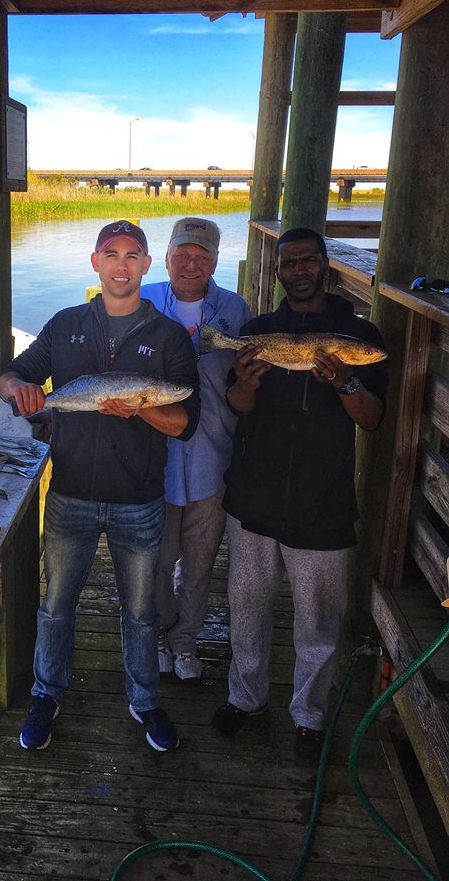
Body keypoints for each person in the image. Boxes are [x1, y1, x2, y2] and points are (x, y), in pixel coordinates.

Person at [0, 220, 200, 753]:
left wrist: (140, 411)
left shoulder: (168, 337)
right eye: (112, 254)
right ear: (95, 262)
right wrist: (21, 390)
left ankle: (145, 699)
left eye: (133, 255)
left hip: (140, 499)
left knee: (140, 609)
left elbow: (183, 421)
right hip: (69, 495)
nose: (122, 265)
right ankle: (46, 693)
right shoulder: (66, 325)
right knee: (57, 603)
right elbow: (12, 376)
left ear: (147, 266)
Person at [210, 226, 388, 766]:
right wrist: (246, 380)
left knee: (318, 619)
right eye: (290, 262)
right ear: (280, 270)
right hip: (255, 495)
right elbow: (238, 406)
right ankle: (246, 698)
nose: (300, 269)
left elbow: (373, 418)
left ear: (326, 265)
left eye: (309, 260)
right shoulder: (260, 330)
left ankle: (309, 718)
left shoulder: (358, 335)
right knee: (246, 608)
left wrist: (345, 382)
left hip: (323, 502)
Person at [142, 218, 251, 680]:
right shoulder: (140, 301)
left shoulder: (235, 308)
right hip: (152, 462)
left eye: (202, 255)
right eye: (182, 253)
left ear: (215, 262)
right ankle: (158, 635)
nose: (191, 263)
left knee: (201, 562)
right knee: (158, 561)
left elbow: (244, 382)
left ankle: (186, 641)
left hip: (213, 457)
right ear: (165, 257)